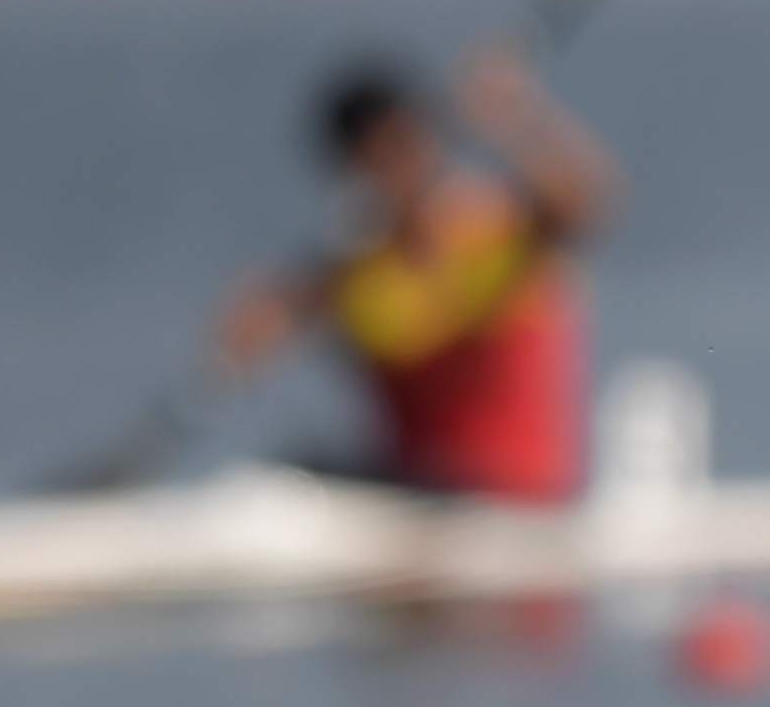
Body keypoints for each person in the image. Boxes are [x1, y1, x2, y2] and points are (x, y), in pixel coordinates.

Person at [209, 41, 620, 503]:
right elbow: (248, 337)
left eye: (400, 147)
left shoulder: (505, 230)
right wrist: (249, 326)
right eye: (372, 161)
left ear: (426, 139)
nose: (393, 172)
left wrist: (517, 118)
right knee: (288, 477)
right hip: (417, 503)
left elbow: (587, 200)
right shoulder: (354, 276)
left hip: (519, 501)